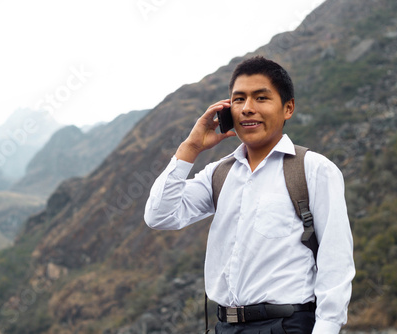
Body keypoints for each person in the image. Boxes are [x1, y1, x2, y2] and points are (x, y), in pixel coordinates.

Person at [144, 55, 355, 334]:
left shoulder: (313, 170)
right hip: (224, 326)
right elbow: (159, 215)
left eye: (261, 98)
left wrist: (326, 327)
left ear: (288, 108)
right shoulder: (219, 173)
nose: (247, 108)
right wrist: (190, 147)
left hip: (287, 325)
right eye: (239, 99)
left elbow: (336, 260)